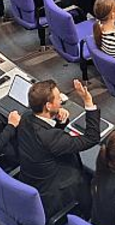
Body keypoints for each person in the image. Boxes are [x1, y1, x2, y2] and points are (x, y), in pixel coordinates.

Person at [17, 78, 100, 218]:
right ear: (48, 106)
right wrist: (88, 101)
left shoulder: (26, 118)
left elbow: (48, 142)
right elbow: (92, 138)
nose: (61, 99)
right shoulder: (49, 138)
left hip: (34, 180)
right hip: (56, 193)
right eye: (58, 98)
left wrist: (59, 122)